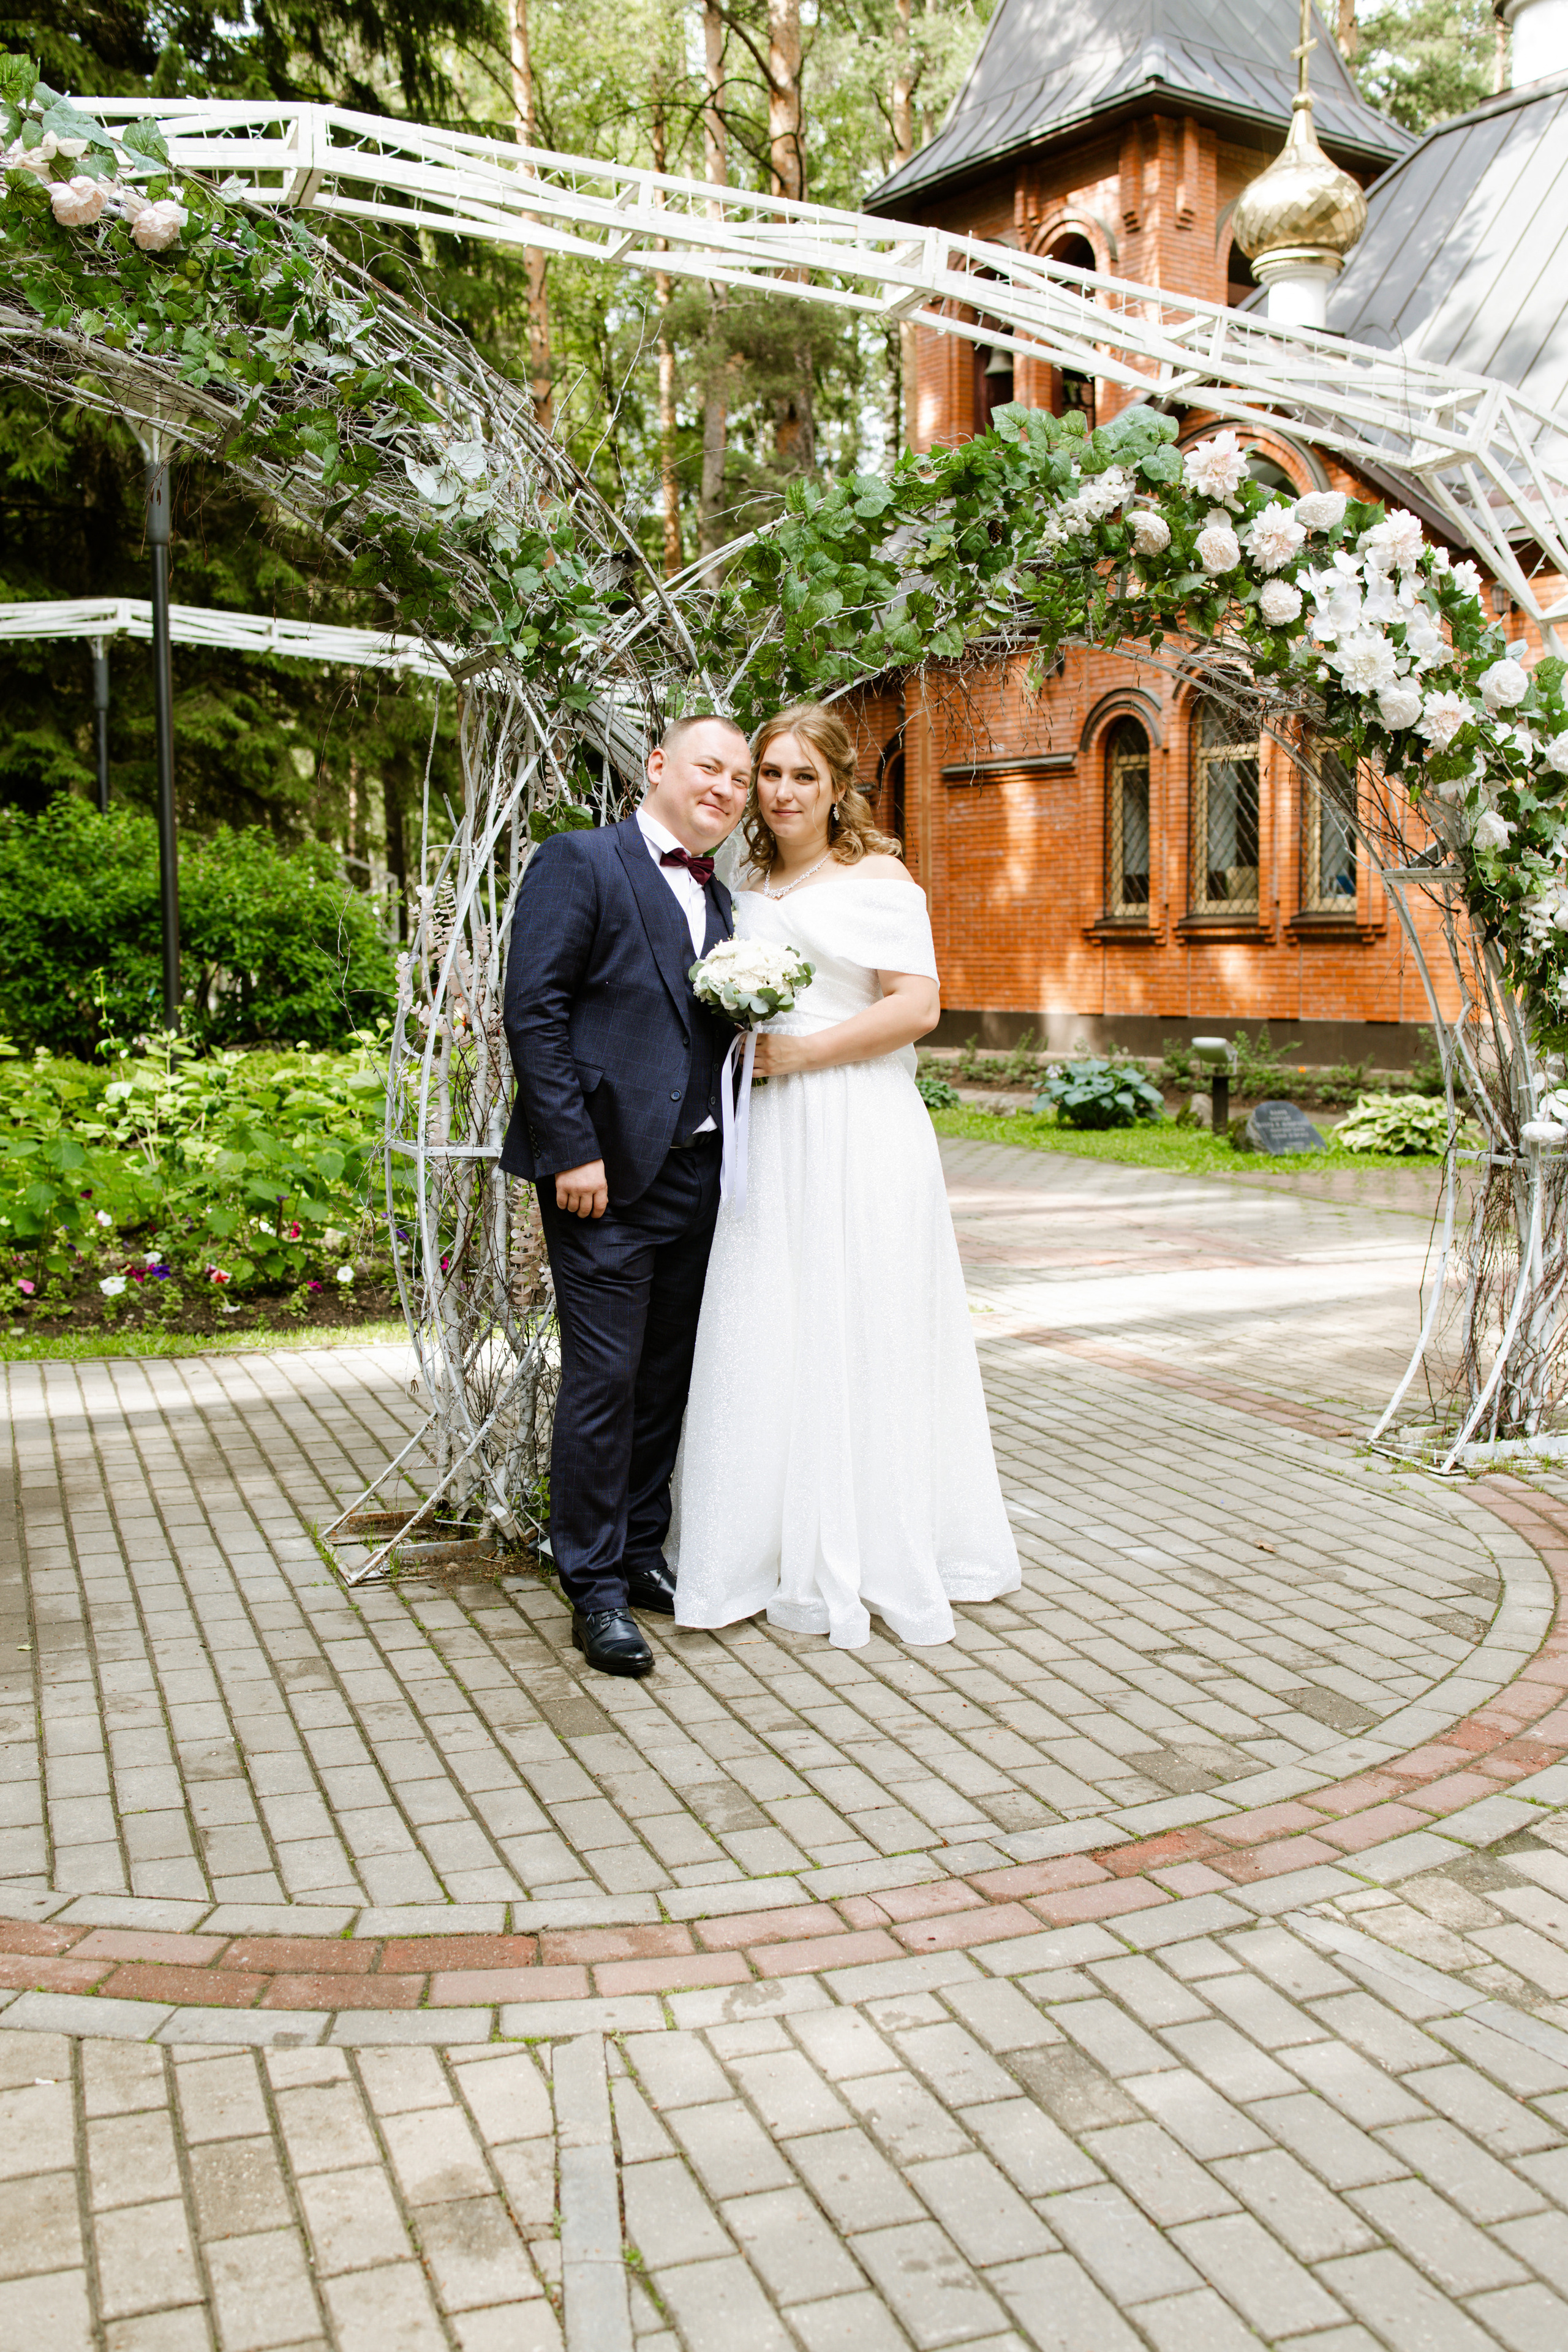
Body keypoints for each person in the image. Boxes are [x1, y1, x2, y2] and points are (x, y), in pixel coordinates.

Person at [670, 701, 1020, 1649]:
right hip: (766, 1131)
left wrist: (802, 1055)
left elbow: (918, 1008)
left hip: (856, 1121)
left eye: (802, 778)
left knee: (856, 1316)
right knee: (766, 1315)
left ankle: (871, 1538)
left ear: (837, 788)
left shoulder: (879, 877)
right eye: (769, 775)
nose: (782, 794)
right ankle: (752, 1543)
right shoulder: (735, 876)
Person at [501, 714, 752, 1677]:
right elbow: (538, 1008)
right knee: (604, 1382)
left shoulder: (721, 903)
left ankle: (642, 1552)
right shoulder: (581, 861)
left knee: (663, 1379)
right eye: (708, 768)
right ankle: (593, 1588)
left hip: (697, 1173)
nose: (725, 789)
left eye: (739, 778)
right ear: (658, 766)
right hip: (601, 1179)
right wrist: (572, 1151)